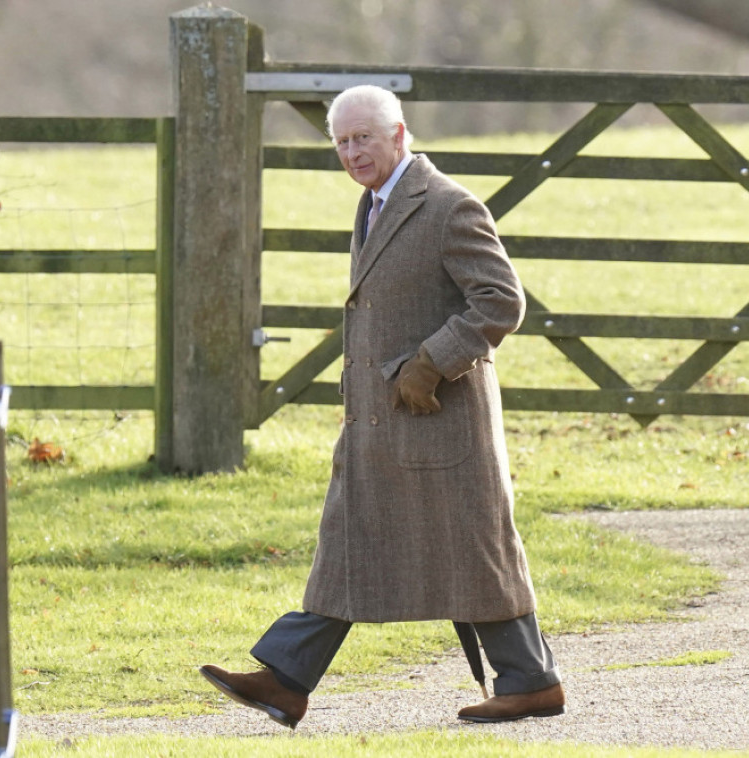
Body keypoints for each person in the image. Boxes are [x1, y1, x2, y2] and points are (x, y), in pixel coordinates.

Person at [200, 84, 563, 729]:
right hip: (378, 423)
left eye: (363, 137)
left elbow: (502, 300)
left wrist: (430, 364)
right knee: (350, 541)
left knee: (474, 551)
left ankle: (530, 682)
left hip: (439, 420)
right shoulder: (373, 204)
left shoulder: (449, 206)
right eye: (341, 141)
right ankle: (286, 680)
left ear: (400, 134)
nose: (351, 151)